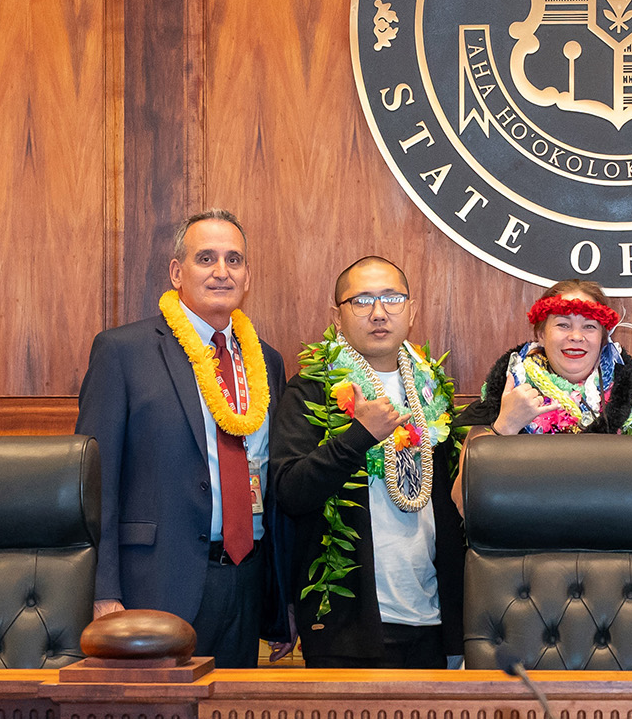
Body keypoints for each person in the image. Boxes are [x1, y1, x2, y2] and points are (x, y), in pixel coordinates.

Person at [75, 210, 291, 667]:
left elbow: (271, 481)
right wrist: (103, 592)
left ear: (247, 276)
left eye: (234, 260)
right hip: (153, 586)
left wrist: (278, 601)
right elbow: (95, 486)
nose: (221, 271)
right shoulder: (123, 352)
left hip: (245, 584)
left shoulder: (266, 361)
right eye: (206, 258)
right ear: (177, 272)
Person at [271, 256, 464, 668]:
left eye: (392, 298)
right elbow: (290, 492)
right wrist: (359, 435)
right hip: (347, 627)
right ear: (336, 318)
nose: (379, 312)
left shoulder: (434, 391)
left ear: (412, 311)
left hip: (430, 618)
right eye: (361, 301)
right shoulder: (313, 390)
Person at [451, 279, 632, 509]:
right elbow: (462, 504)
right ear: (541, 333)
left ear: (602, 338)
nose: (576, 336)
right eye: (563, 325)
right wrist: (506, 425)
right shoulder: (505, 393)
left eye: (589, 326)